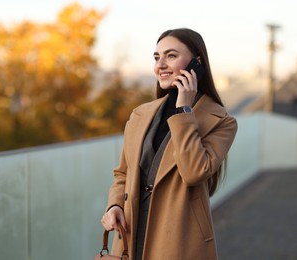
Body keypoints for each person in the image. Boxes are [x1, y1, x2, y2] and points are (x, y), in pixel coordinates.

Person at [100, 28, 238, 260]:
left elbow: (194, 172)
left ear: (197, 63)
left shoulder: (221, 122)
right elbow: (123, 173)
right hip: (130, 232)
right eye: (157, 57)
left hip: (179, 239)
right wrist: (114, 206)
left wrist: (184, 111)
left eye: (171, 56)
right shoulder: (140, 115)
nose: (160, 64)